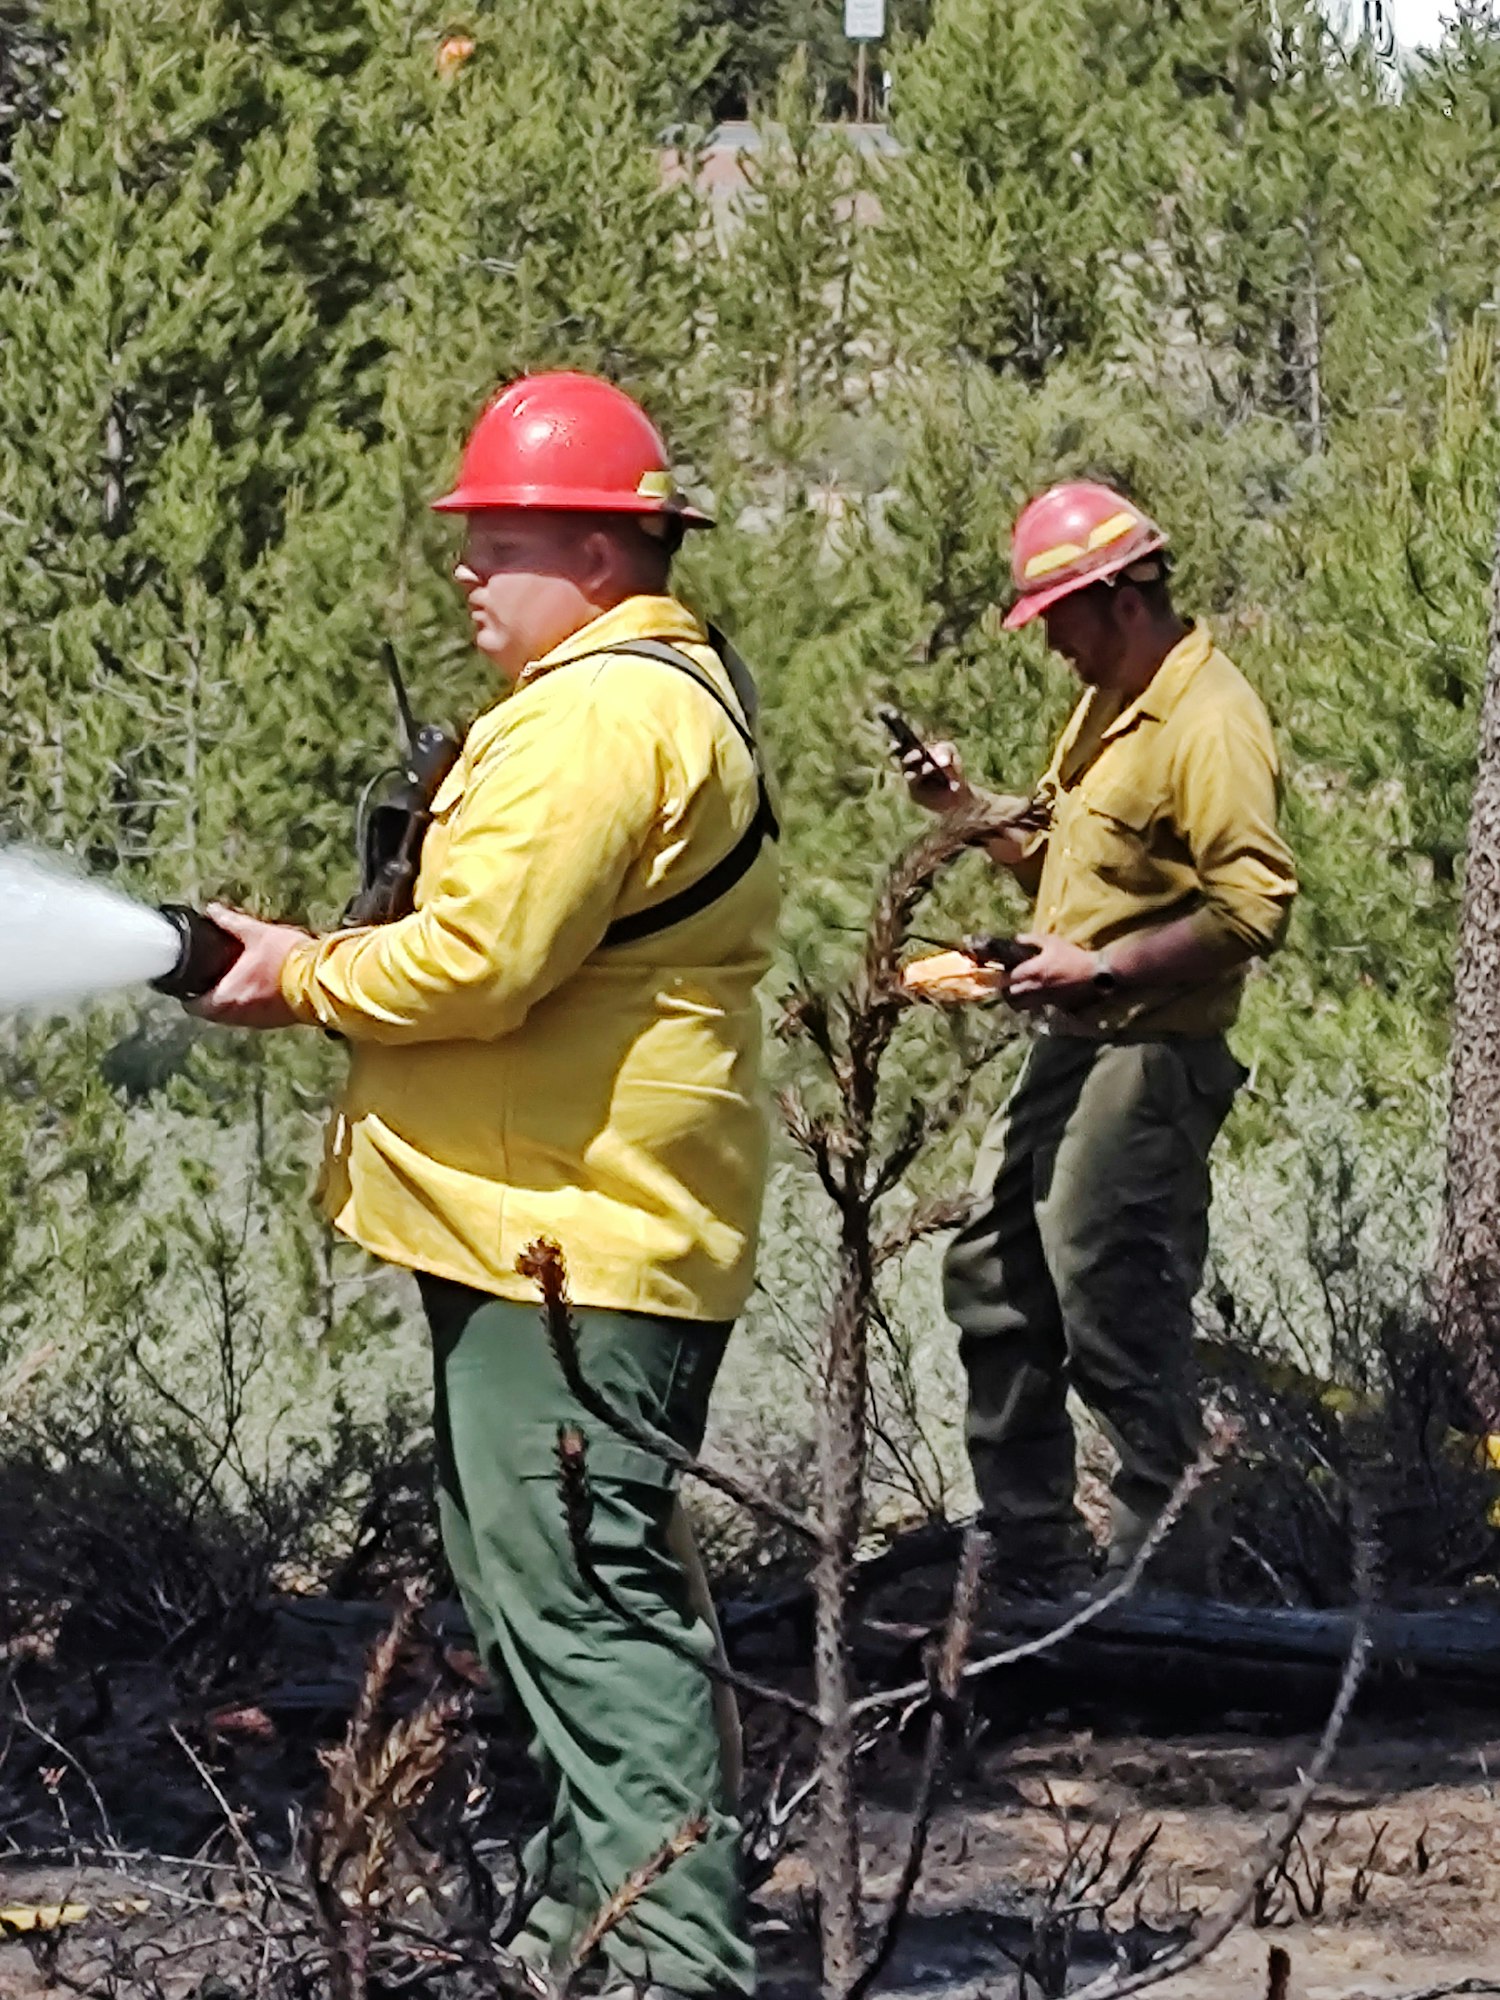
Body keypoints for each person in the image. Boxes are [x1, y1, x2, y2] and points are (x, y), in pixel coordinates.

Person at [186, 372, 777, 1999]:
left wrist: (306, 973)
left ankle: (674, 1963)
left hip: (577, 1241)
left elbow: (477, 964)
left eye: (496, 534)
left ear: (599, 551)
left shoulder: (598, 716)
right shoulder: (649, 692)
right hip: (552, 1224)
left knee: (583, 1595)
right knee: (541, 1585)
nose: (467, 565)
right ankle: (585, 1926)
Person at [903, 480, 1297, 1594]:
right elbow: (1066, 860)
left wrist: (1108, 965)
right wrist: (966, 809)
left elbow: (1254, 906)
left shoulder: (1210, 719)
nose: (1052, 647)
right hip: (1076, 1036)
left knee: (1110, 1290)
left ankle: (1164, 1588)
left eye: (1058, 620)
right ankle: (1030, 1550)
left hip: (1152, 1050)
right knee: (992, 1261)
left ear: (1120, 597)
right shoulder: (1105, 704)